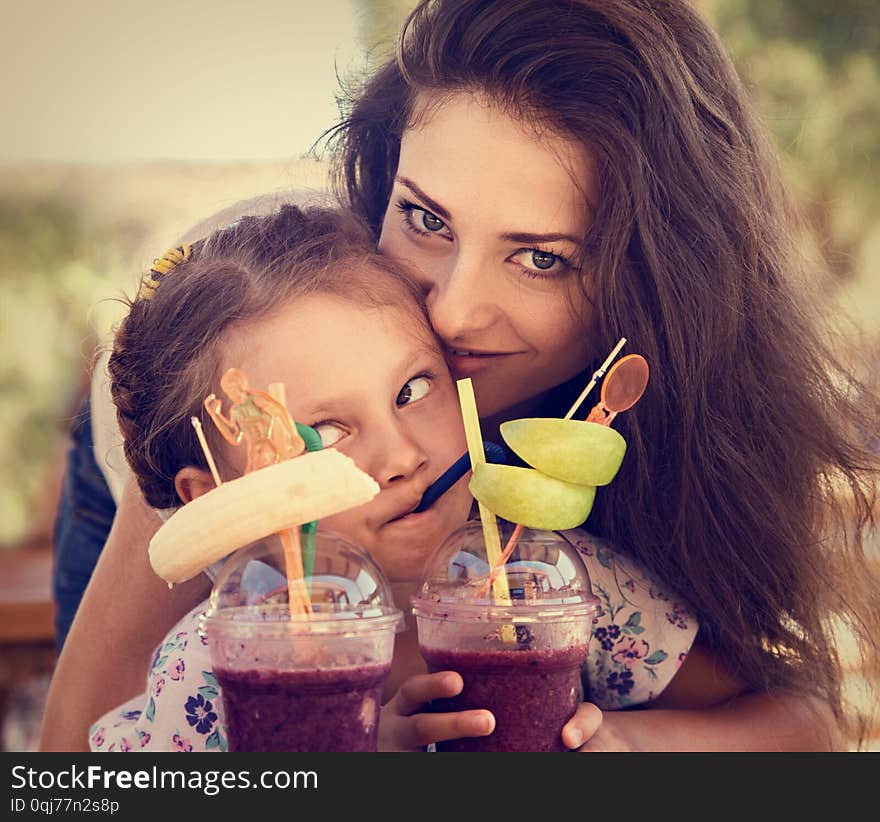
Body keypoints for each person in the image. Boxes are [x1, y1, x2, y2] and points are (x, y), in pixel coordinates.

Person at [46, 0, 878, 750]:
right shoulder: (251, 355)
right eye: (426, 218)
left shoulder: (580, 573)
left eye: (542, 258)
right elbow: (74, 767)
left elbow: (794, 722)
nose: (449, 315)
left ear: (656, 286)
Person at [67, 204, 699, 752]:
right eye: (327, 432)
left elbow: (790, 720)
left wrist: (635, 744)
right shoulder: (213, 669)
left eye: (414, 388)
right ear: (217, 501)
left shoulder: (556, 581)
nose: (401, 455)